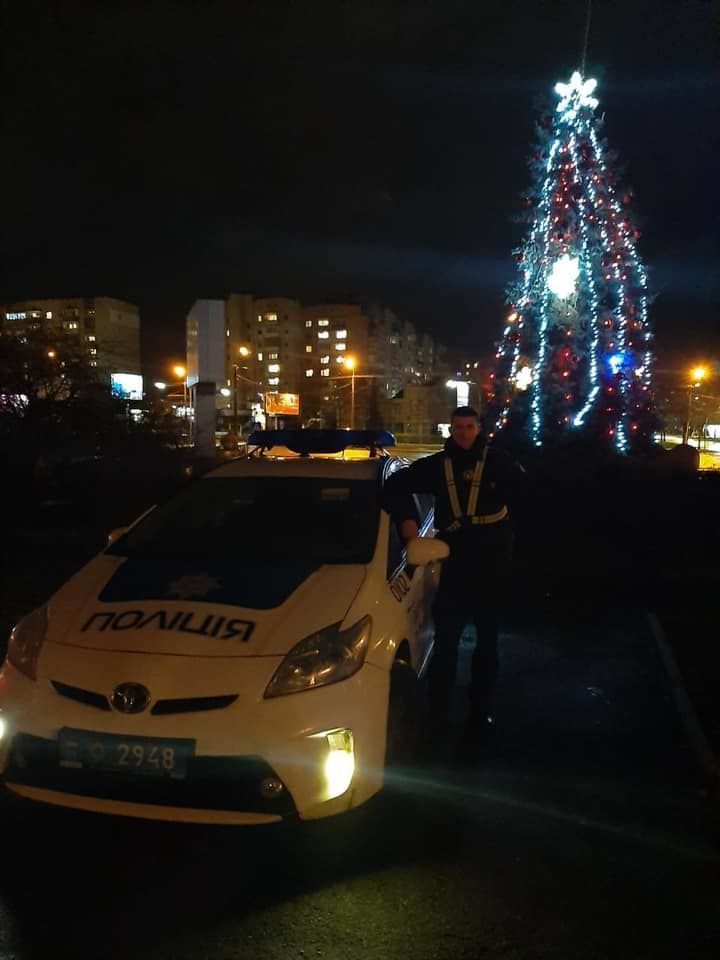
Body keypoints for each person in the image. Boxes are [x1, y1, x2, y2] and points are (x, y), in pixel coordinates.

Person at [382, 406, 524, 732]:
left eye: (469, 426)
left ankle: (481, 708)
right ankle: (438, 710)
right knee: (446, 639)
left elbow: (526, 495)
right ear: (450, 429)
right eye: (457, 427)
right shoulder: (437, 465)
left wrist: (512, 544)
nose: (463, 433)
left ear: (479, 428)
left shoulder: (500, 462)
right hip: (454, 562)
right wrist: (408, 528)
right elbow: (394, 486)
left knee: (487, 640)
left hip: (490, 562)